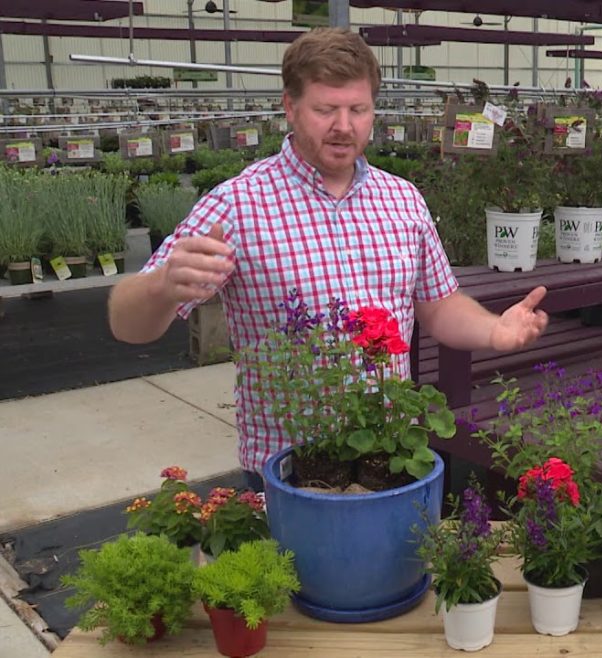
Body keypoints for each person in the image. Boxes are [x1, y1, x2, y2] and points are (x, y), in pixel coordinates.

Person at [108, 28, 549, 484]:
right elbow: (127, 325)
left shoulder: (402, 199)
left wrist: (493, 330)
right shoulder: (237, 204)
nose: (344, 125)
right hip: (290, 471)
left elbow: (438, 305)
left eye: (358, 109)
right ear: (290, 107)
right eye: (325, 109)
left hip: (387, 455)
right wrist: (161, 287)